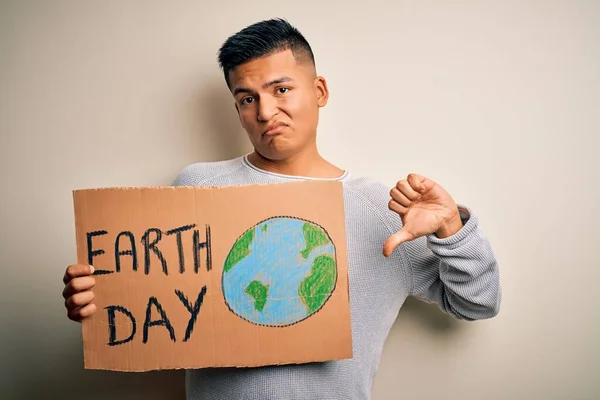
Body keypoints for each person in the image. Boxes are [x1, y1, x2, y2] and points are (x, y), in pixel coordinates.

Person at [62, 18, 501, 400]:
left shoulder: (384, 210)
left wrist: (451, 229)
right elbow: (158, 308)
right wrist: (101, 297)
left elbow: (479, 305)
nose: (266, 111)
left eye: (281, 89)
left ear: (320, 90)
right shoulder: (199, 187)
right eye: (246, 98)